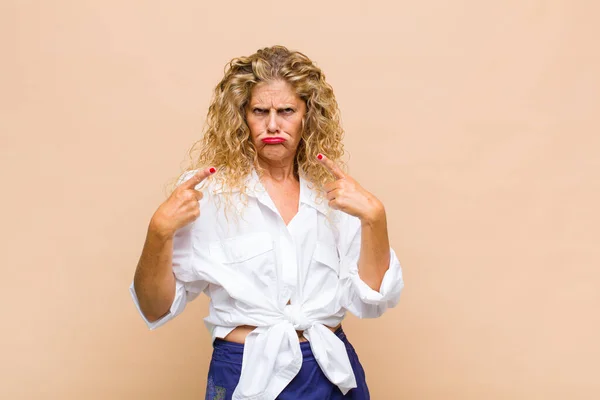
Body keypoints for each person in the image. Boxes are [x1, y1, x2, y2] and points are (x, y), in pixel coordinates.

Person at [129, 45, 404, 400]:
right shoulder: (207, 193)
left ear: (308, 115)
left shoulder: (334, 192)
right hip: (246, 370)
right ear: (241, 116)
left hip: (329, 370)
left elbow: (372, 303)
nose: (273, 124)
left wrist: (375, 219)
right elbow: (155, 308)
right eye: (260, 111)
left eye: (287, 110)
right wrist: (158, 232)